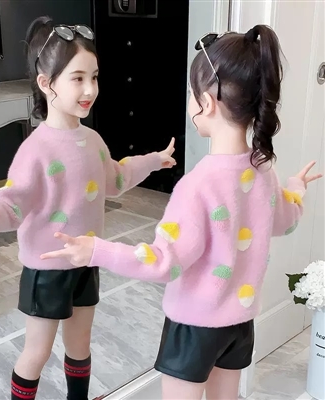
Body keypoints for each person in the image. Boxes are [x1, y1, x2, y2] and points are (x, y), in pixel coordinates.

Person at [39, 25, 323, 400]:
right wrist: (296, 188)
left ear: (207, 102)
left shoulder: (197, 185)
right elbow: (286, 220)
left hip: (193, 328)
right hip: (239, 326)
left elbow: (163, 262)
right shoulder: (263, 170)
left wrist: (95, 250)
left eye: (191, 94)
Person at [0, 16, 176, 400]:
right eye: (78, 78)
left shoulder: (93, 140)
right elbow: (11, 203)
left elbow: (115, 179)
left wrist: (152, 160)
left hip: (86, 260)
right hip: (47, 271)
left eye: (94, 77)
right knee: (37, 352)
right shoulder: (35, 150)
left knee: (80, 344)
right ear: (46, 83)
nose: (90, 89)